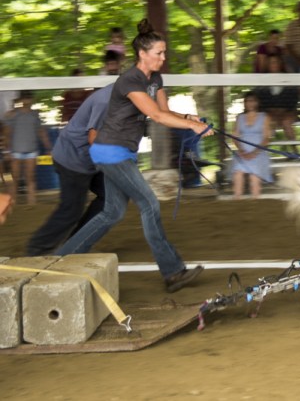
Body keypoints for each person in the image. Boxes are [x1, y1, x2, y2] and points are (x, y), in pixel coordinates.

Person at [54, 18, 213, 293]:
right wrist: (192, 125)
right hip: (108, 151)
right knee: (149, 204)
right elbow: (157, 116)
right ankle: (173, 272)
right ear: (143, 54)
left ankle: (62, 259)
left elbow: (165, 110)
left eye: (164, 52)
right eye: (158, 53)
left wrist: (189, 117)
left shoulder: (156, 79)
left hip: (123, 152)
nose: (163, 58)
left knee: (112, 212)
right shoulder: (129, 80)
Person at [26, 84, 113, 256]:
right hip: (73, 160)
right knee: (71, 210)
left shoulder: (124, 101)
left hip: (90, 160)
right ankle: (38, 247)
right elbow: (94, 140)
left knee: (111, 197)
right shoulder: (105, 102)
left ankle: (76, 243)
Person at [3, 90, 52, 206]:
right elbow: (7, 133)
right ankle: (12, 202)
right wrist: (6, 150)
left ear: (32, 99)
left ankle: (32, 203)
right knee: (15, 179)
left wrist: (48, 147)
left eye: (28, 98)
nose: (27, 100)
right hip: (15, 151)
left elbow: (42, 132)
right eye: (25, 98)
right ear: (21, 99)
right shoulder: (13, 115)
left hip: (31, 151)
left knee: (30, 178)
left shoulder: (35, 115)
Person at [232, 91, 273, 199]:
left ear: (257, 102)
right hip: (243, 151)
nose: (250, 103)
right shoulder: (240, 117)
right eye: (247, 101)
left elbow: (266, 138)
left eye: (252, 101)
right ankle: (237, 198)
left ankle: (255, 199)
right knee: (238, 173)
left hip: (258, 151)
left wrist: (255, 152)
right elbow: (235, 137)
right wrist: (241, 150)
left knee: (254, 175)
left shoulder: (264, 117)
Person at [256, 54, 299, 148]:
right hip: (269, 112)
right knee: (270, 121)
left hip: (287, 111)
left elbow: (293, 96)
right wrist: (272, 111)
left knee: (286, 122)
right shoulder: (263, 80)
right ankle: (263, 151)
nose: (274, 64)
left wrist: (282, 111)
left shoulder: (287, 78)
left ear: (280, 63)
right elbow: (260, 98)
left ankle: (295, 149)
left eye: (276, 62)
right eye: (271, 62)